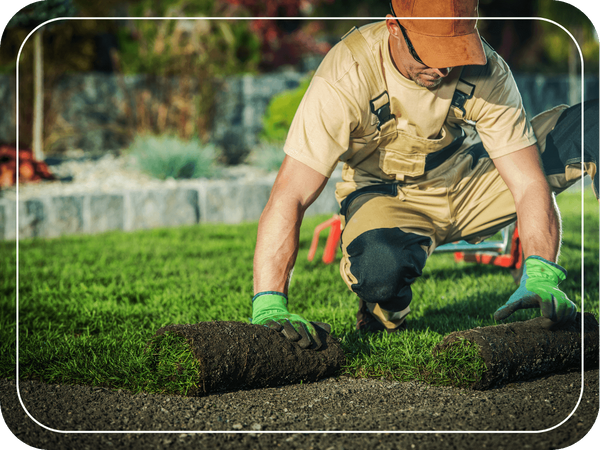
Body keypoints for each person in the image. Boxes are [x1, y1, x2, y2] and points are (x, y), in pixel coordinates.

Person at [250, 0, 599, 350]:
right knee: (379, 270)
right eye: (430, 52)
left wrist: (540, 271)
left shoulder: (488, 70)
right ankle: (383, 308)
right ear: (393, 27)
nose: (443, 67)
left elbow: (526, 183)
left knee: (594, 126)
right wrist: (269, 302)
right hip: (386, 196)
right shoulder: (347, 74)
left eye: (455, 51)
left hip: (466, 182)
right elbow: (290, 194)